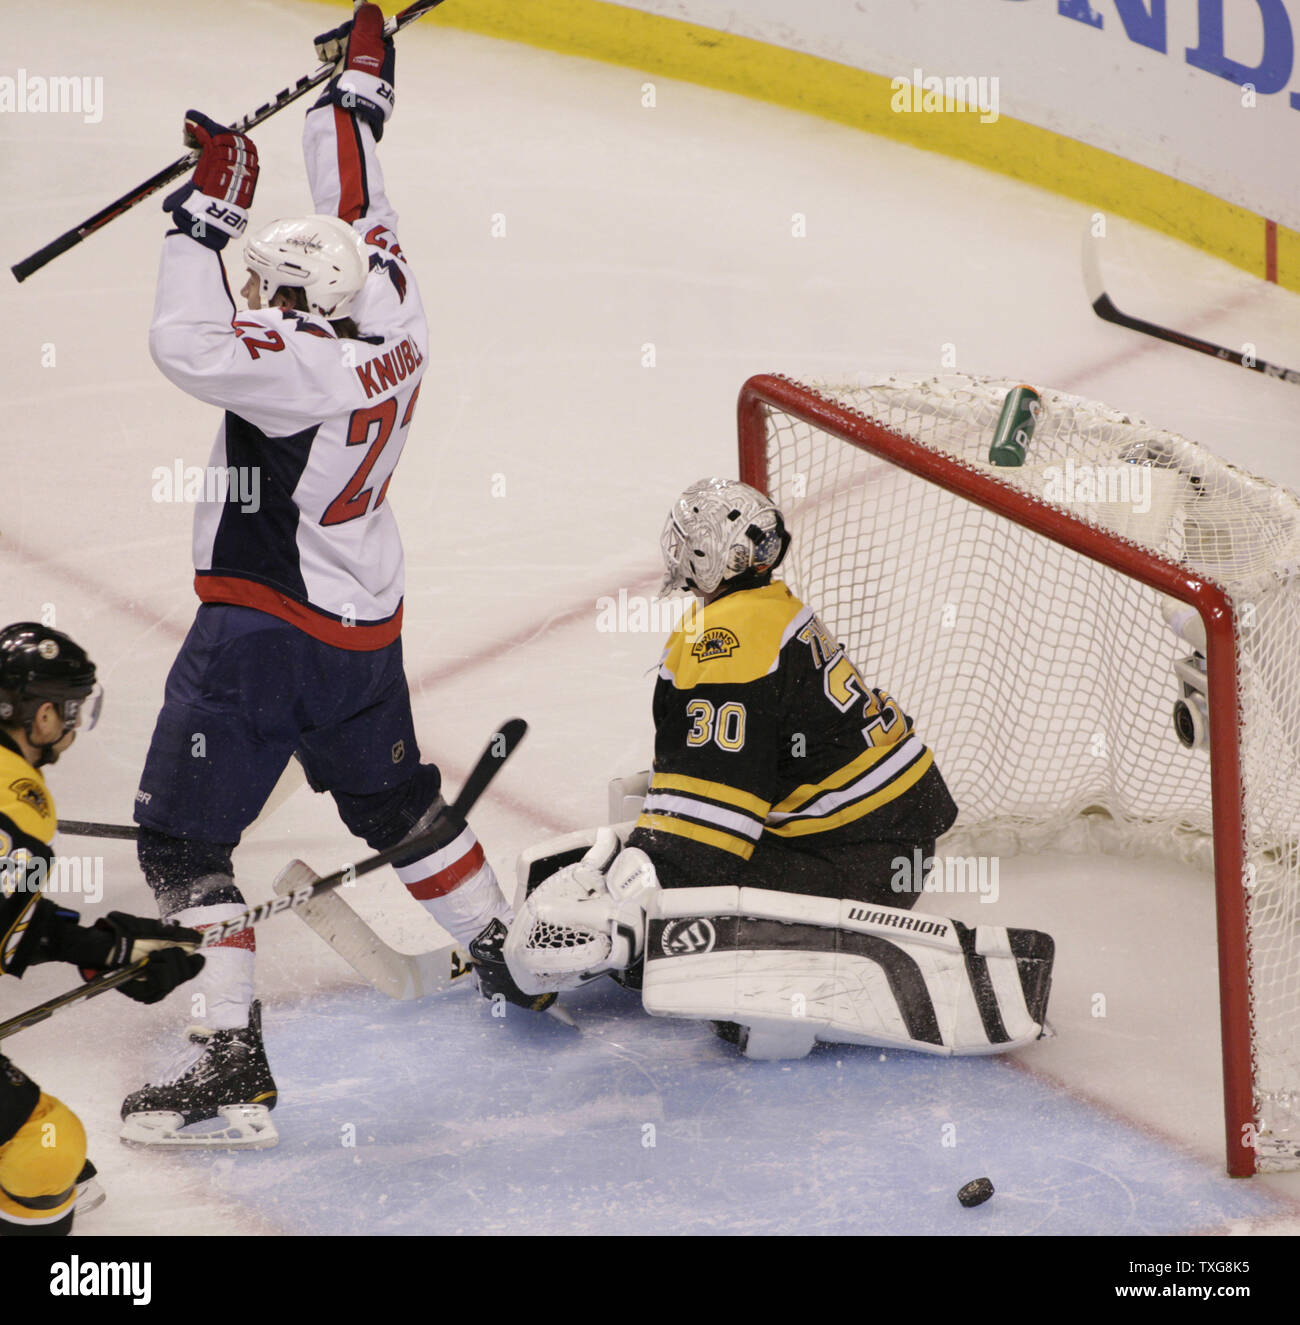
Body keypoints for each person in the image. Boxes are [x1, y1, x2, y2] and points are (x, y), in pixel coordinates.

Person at [126, 3, 516, 1148]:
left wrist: (205, 213)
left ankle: (229, 1065)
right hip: (363, 621)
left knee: (184, 848)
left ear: (296, 306)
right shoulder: (392, 304)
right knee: (394, 799)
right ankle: (503, 949)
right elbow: (360, 201)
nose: (256, 295)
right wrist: (356, 89)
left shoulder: (295, 368)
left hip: (262, 639)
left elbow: (185, 342)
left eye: (265, 286)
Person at [484, 480, 1054, 1060]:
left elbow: (707, 837)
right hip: (880, 844)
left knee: (658, 919)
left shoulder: (724, 641)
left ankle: (790, 1004)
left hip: (852, 860)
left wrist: (610, 923)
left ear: (709, 553)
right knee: (638, 857)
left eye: (687, 539)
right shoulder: (768, 610)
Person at [0, 623, 203, 1234]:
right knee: (46, 1152)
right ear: (40, 717)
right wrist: (96, 947)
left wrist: (99, 946)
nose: (69, 726)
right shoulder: (17, 800)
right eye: (68, 710)